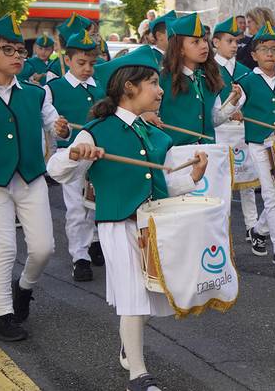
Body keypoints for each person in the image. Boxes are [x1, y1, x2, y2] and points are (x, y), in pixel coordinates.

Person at [47, 45, 209, 391]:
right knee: (134, 294)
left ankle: (128, 342)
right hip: (117, 223)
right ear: (129, 88)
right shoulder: (97, 131)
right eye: (152, 82)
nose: (160, 89)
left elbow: (163, 183)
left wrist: (192, 178)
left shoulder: (155, 134)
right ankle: (138, 374)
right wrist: (75, 154)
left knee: (149, 295)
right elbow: (57, 170)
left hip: (153, 224)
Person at [0, 14, 69, 342]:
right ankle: (2, 314)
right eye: (8, 50)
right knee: (4, 248)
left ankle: (24, 287)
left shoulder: (35, 93)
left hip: (30, 178)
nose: (16, 56)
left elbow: (52, 122)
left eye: (19, 51)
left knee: (43, 249)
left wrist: (60, 128)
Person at [235, 22, 275, 267]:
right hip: (259, 145)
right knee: (272, 195)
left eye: (274, 49)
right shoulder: (246, 82)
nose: (270, 54)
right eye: (264, 49)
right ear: (254, 55)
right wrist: (233, 108)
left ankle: (259, 231)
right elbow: (226, 110)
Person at [45, 30, 106, 281]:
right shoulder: (53, 89)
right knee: (76, 209)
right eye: (81, 63)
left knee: (96, 203)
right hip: (71, 157)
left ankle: (95, 241)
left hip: (98, 155)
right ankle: (79, 257)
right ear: (67, 60)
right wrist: (59, 130)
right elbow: (52, 125)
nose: (87, 68)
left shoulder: (100, 86)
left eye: (92, 63)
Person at [157, 13, 241, 145]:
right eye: (195, 42)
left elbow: (213, 119)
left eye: (204, 40)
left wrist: (232, 102)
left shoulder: (207, 77)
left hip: (207, 152)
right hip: (177, 155)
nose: (204, 46)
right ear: (179, 49)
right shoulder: (162, 79)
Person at [212, 17, 259, 241]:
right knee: (222, 183)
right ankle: (223, 228)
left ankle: (253, 227)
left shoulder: (244, 70)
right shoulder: (209, 69)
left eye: (236, 41)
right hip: (220, 131)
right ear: (216, 43)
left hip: (240, 131)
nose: (234, 46)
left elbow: (251, 100)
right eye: (229, 41)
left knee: (247, 182)